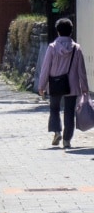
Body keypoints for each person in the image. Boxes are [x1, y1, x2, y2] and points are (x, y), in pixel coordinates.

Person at [37, 17, 89, 149]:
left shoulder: (52, 47)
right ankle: (66, 140)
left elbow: (45, 68)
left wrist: (41, 85)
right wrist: (84, 88)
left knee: (54, 108)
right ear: (71, 31)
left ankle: (57, 132)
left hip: (55, 84)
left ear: (58, 31)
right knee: (69, 112)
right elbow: (81, 70)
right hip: (72, 85)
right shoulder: (76, 49)